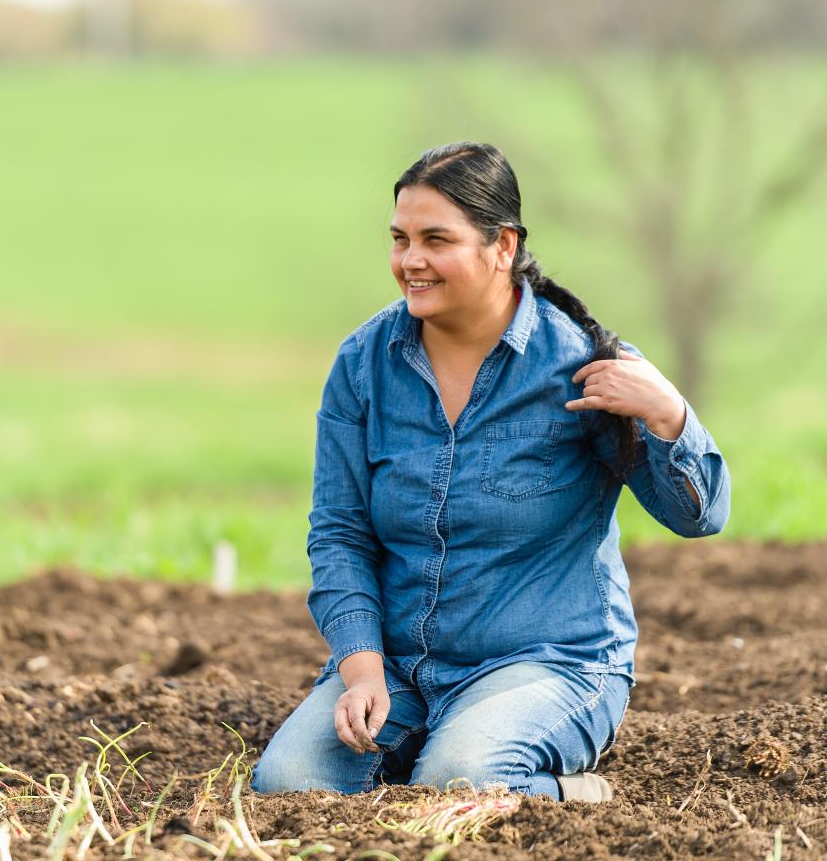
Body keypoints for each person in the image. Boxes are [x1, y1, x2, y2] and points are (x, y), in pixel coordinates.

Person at [250, 142, 730, 802]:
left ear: (503, 246)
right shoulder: (363, 364)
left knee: (460, 783)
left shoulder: (585, 367)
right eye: (400, 239)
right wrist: (361, 673)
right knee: (289, 784)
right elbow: (340, 534)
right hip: (399, 671)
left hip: (550, 666)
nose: (410, 260)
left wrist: (669, 414)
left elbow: (701, 516)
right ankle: (425, 749)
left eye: (435, 240)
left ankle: (574, 795)